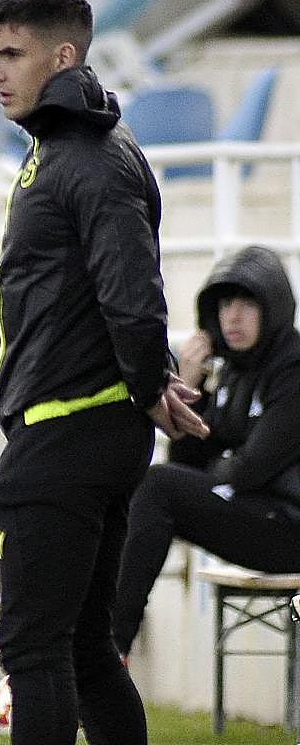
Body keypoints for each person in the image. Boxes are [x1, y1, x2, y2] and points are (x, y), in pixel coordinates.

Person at [0, 0, 209, 745]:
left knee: (34, 650)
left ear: (62, 56)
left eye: (11, 54)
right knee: (84, 650)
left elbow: (134, 298)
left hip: (67, 430)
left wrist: (148, 384)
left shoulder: (89, 158)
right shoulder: (66, 148)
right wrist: (145, 385)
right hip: (84, 429)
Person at [113, 245, 300, 656]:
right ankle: (104, 638)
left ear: (273, 307)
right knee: (143, 486)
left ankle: (113, 645)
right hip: (259, 513)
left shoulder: (292, 367)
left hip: (290, 528)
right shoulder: (233, 370)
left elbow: (252, 468)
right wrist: (190, 387)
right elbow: (187, 464)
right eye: (225, 304)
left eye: (247, 304)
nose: (233, 316)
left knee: (158, 486)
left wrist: (222, 466)